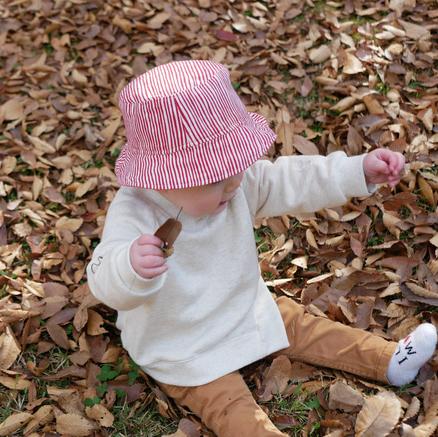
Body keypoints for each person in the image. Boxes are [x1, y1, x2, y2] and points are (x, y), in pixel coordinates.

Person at [86, 60, 437, 436]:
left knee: (305, 327)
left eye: (236, 165)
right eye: (215, 177)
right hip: (182, 343)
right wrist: (130, 268)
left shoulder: (233, 184)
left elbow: (291, 179)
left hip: (242, 307)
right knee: (228, 404)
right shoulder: (136, 211)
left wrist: (356, 171)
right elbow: (103, 274)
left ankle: (388, 359)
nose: (233, 183)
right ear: (163, 176)